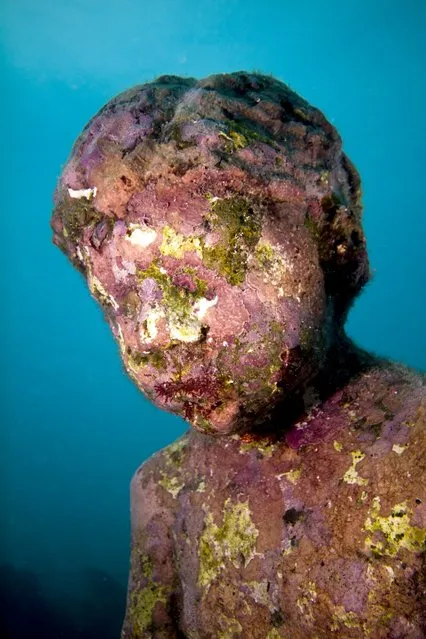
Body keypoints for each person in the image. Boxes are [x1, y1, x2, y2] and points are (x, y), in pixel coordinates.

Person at [52, 72, 425, 638]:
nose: (154, 335)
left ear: (327, 233)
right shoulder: (164, 490)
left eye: (192, 278)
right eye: (119, 302)